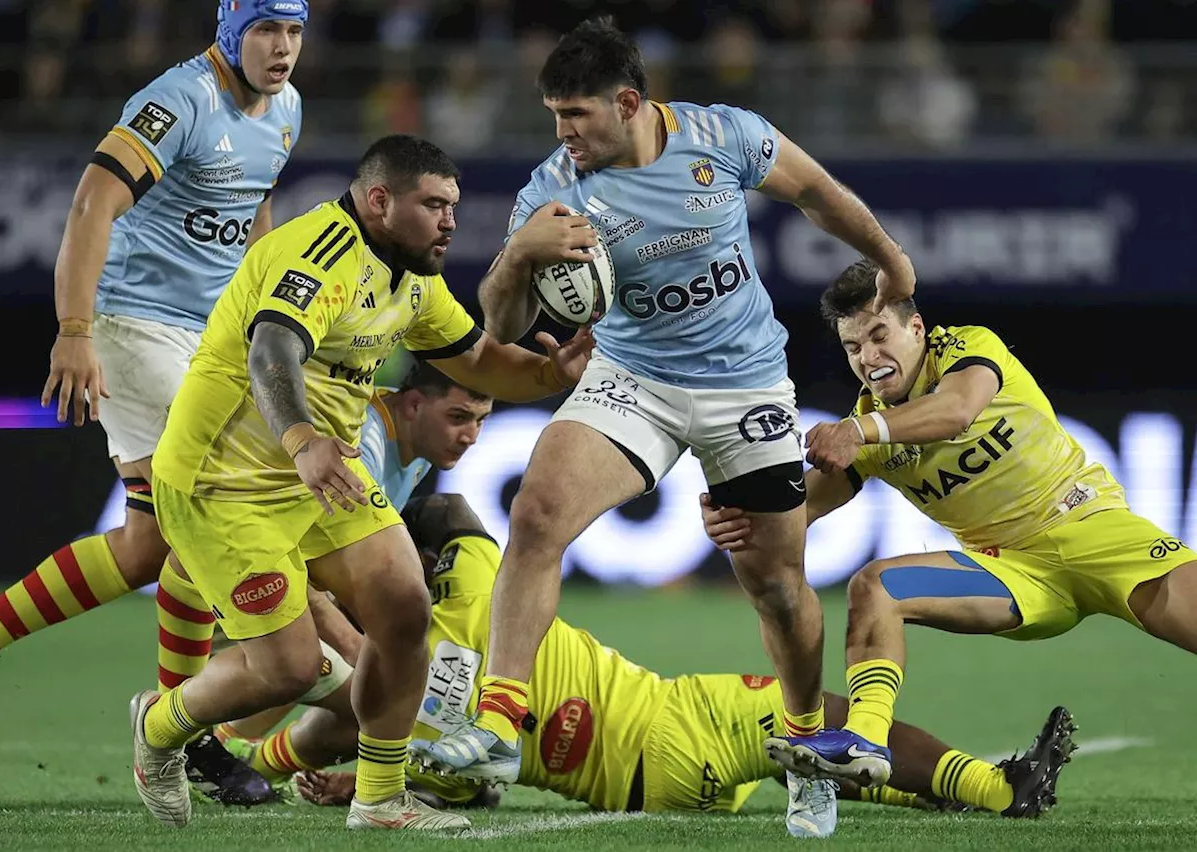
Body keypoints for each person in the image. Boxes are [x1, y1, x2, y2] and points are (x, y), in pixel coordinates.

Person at [408, 16, 917, 839]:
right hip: (631, 380)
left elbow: (817, 193)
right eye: (554, 117)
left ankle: (802, 745)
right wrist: (517, 257)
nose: (564, 134)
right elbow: (499, 326)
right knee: (537, 514)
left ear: (629, 102)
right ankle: (498, 725)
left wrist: (889, 256)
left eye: (577, 115)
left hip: (744, 385)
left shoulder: (724, 136)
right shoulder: (553, 190)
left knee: (778, 588)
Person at [128, 134, 595, 831]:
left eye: (453, 206)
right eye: (433, 205)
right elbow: (271, 351)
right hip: (223, 482)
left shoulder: (413, 279)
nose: (450, 222)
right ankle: (159, 727)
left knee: (404, 607)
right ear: (379, 201)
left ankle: (377, 800)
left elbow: (473, 358)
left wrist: (548, 374)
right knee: (285, 670)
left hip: (321, 476)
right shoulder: (315, 255)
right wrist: (303, 440)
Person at [0, 1, 308, 790]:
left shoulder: (288, 109)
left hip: (207, 340)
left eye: (296, 30)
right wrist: (73, 329)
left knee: (150, 542)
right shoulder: (177, 102)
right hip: (134, 327)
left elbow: (254, 209)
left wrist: (267, 314)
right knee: (210, 503)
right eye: (268, 28)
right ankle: (184, 728)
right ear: (231, 27)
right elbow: (94, 202)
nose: (284, 48)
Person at [225, 492, 1074, 830]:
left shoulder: (405, 721)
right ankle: (998, 788)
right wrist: (383, 544)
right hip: (665, 726)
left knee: (803, 761)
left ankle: (220, 762)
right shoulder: (478, 590)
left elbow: (467, 782)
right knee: (828, 719)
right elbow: (450, 510)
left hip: (654, 772)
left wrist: (284, 767)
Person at [702, 258, 1197, 791]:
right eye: (852, 348)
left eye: (878, 335)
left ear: (915, 329)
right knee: (875, 587)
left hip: (1090, 529)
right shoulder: (867, 428)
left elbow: (957, 410)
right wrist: (741, 518)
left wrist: (861, 431)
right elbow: (797, 514)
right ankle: (863, 739)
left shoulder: (965, 350)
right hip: (1013, 575)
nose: (869, 357)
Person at [208, 361, 494, 751]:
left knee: (380, 678)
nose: (470, 437)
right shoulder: (363, 447)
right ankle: (214, 746)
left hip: (281, 584)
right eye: (459, 417)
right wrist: (355, 645)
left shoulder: (419, 446)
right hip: (252, 582)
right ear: (413, 405)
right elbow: (296, 568)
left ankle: (225, 747)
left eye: (481, 421)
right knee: (384, 701)